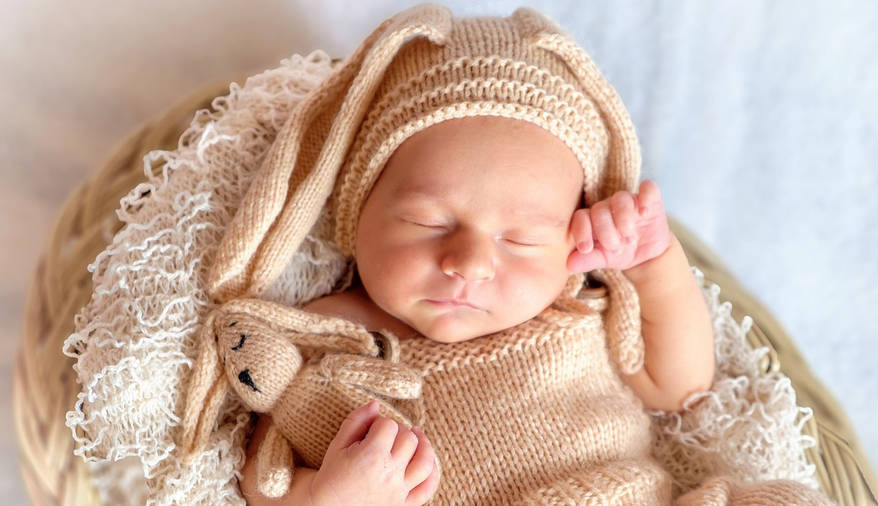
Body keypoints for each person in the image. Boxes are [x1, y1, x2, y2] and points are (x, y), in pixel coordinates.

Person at [185, 3, 832, 504]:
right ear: (357, 217)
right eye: (426, 220)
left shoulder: (575, 304)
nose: (468, 262)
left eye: (521, 238)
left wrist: (652, 263)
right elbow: (260, 475)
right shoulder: (329, 337)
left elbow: (681, 384)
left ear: (569, 239)